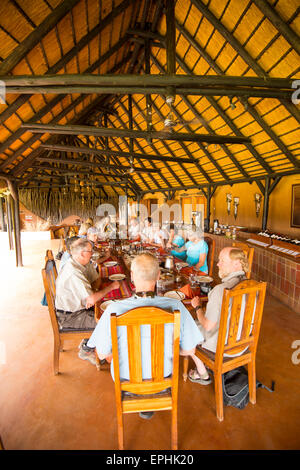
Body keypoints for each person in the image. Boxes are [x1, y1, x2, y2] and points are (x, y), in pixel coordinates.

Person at [86, 252, 203, 419]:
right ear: (158, 275)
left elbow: (103, 353)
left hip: (126, 379)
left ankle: (140, 394)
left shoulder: (114, 309)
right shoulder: (176, 306)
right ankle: (151, 394)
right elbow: (189, 349)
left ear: (131, 276)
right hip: (163, 376)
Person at [188, 246, 249, 385]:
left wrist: (197, 307)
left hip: (223, 348)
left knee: (187, 327)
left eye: (222, 261)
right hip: (243, 344)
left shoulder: (220, 290)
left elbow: (208, 326)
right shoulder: (252, 285)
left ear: (237, 263)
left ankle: (201, 373)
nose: (217, 264)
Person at [55, 238, 120, 365]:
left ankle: (89, 340)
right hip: (70, 317)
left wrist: (93, 292)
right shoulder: (73, 272)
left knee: (102, 311)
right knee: (109, 322)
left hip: (79, 309)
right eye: (90, 251)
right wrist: (111, 287)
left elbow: (97, 280)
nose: (93, 253)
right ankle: (87, 349)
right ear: (82, 253)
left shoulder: (82, 263)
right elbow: (91, 298)